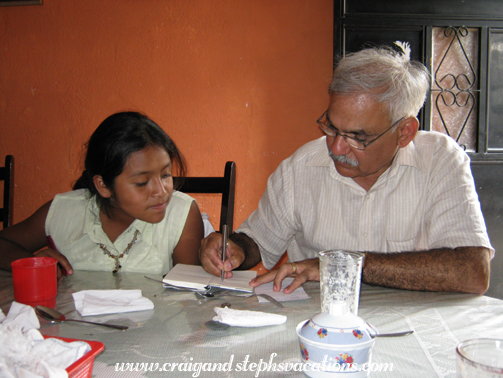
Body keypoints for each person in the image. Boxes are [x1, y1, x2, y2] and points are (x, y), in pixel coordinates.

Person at [200, 42, 493, 295]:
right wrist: (233, 248)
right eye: (331, 127)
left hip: (414, 328)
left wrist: (338, 266)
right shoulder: (300, 168)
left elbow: (471, 272)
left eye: (358, 137)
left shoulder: (440, 161)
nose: (336, 148)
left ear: (405, 132)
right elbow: (258, 243)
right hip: (320, 326)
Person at [0, 112, 204, 278]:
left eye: (166, 174)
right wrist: (31, 262)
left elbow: (188, 299)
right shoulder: (64, 211)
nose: (161, 191)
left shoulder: (180, 214)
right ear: (103, 185)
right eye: (142, 182)